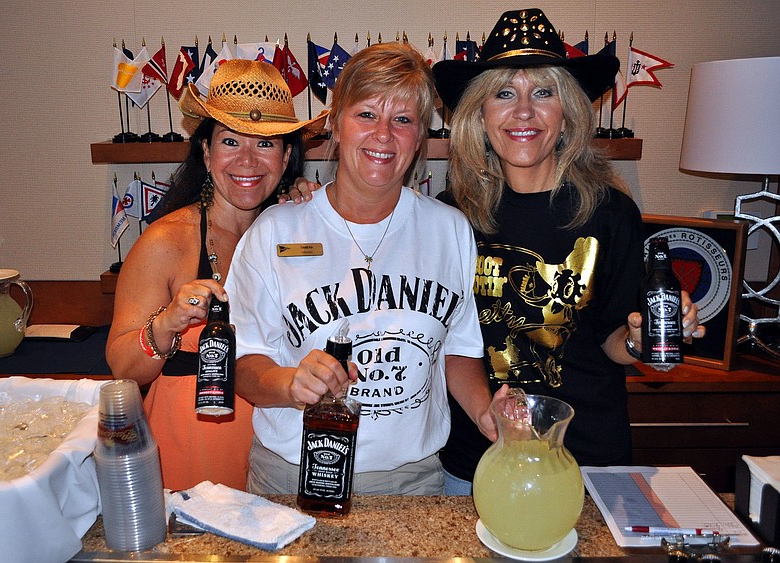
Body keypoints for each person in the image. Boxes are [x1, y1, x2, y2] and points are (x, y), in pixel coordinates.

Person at [431, 8, 705, 494]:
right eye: (503, 93)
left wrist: (646, 342)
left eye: (543, 92)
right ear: (480, 112)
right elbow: (452, 345)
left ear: (568, 111)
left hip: (588, 463)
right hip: (478, 461)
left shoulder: (611, 213)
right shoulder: (449, 216)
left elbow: (615, 340)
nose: (522, 112)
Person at [224, 42, 500, 496]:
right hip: (293, 474)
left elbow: (459, 349)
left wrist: (487, 414)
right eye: (367, 114)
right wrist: (292, 384)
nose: (384, 135)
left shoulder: (449, 228)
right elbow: (243, 362)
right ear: (335, 123)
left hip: (411, 481)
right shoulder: (275, 230)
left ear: (421, 138)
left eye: (403, 120)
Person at [105, 59, 326, 492]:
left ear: (286, 158)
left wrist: (317, 215)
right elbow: (121, 367)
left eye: (265, 144)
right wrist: (167, 322)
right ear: (206, 153)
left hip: (282, 440)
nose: (247, 160)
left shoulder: (299, 229)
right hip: (194, 441)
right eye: (230, 142)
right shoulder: (166, 241)